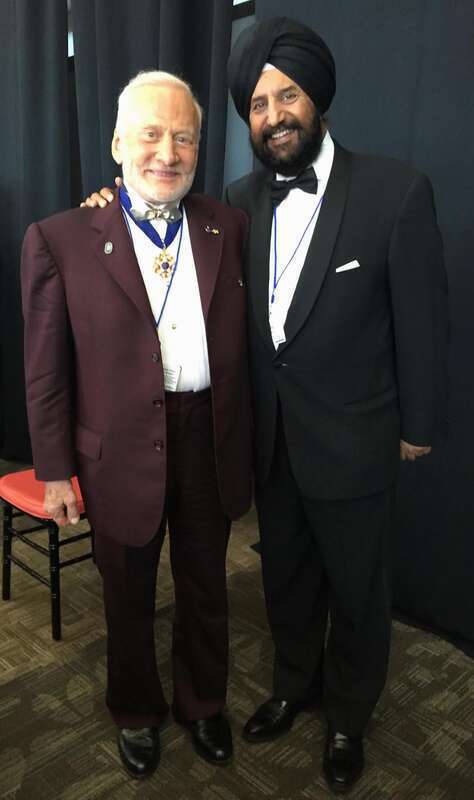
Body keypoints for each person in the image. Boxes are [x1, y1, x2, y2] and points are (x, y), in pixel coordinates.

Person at [84, 18, 448, 793]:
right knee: (285, 577)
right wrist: (105, 203)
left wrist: (420, 424)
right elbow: (161, 241)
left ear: (316, 97)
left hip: (356, 438)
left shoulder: (395, 191)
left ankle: (349, 715)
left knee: (357, 588)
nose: (274, 113)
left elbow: (423, 318)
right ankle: (294, 685)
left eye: (287, 95)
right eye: (256, 103)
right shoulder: (237, 204)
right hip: (269, 441)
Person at [21, 70, 252, 779]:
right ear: (118, 142)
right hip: (116, 449)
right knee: (127, 592)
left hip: (208, 434)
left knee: (206, 584)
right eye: (151, 134)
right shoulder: (60, 238)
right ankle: (136, 711)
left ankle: (202, 702)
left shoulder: (228, 224)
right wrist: (55, 467)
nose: (168, 151)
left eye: (184, 136)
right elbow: (47, 369)